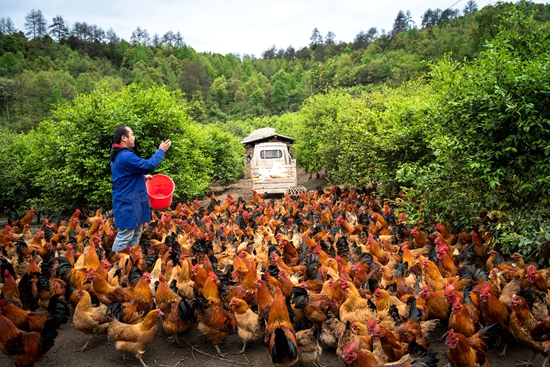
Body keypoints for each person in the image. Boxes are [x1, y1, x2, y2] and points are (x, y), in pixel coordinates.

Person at [109, 125, 171, 253]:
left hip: (132, 199)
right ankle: (114, 260)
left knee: (136, 231)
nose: (134, 137)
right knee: (126, 234)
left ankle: (130, 257)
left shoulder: (119, 155)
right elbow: (149, 165)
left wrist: (142, 176)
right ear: (124, 138)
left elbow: (124, 174)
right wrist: (161, 151)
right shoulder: (125, 156)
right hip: (128, 201)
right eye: (131, 134)